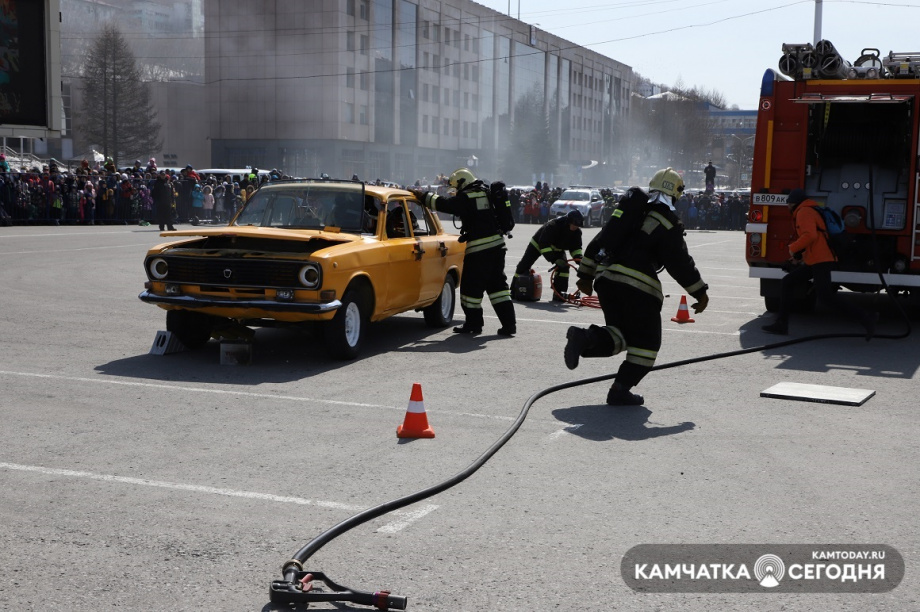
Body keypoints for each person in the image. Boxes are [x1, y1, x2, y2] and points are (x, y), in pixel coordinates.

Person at [563, 168, 710, 405]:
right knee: (647, 346)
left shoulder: (630, 213)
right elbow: (679, 262)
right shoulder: (668, 221)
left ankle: (586, 338)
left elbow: (601, 239)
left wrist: (586, 275)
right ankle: (620, 390)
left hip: (606, 281)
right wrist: (700, 292)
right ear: (676, 194)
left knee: (620, 334)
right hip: (638, 287)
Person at [411, 168, 516, 336]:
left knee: (470, 289)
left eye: (457, 188)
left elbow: (446, 204)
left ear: (462, 182)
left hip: (479, 251)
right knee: (498, 289)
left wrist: (424, 196)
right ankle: (509, 325)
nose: (457, 192)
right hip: (497, 247)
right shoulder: (486, 192)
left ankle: (473, 325)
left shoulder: (468, 196)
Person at [761, 189, 875, 338]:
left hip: (821, 259)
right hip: (817, 258)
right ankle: (781, 324)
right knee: (788, 282)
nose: (787, 207)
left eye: (788, 203)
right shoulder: (809, 210)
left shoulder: (804, 212)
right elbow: (816, 238)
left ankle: (866, 317)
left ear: (793, 203)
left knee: (826, 296)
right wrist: (799, 256)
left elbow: (810, 235)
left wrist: (792, 248)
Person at [513, 210, 584, 302]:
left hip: (557, 249)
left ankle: (559, 294)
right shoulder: (553, 226)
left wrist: (580, 261)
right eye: (574, 225)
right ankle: (513, 290)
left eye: (578, 226)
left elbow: (576, 248)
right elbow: (544, 245)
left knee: (564, 268)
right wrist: (555, 259)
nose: (575, 227)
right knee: (524, 265)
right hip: (538, 244)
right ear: (568, 222)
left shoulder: (577, 232)